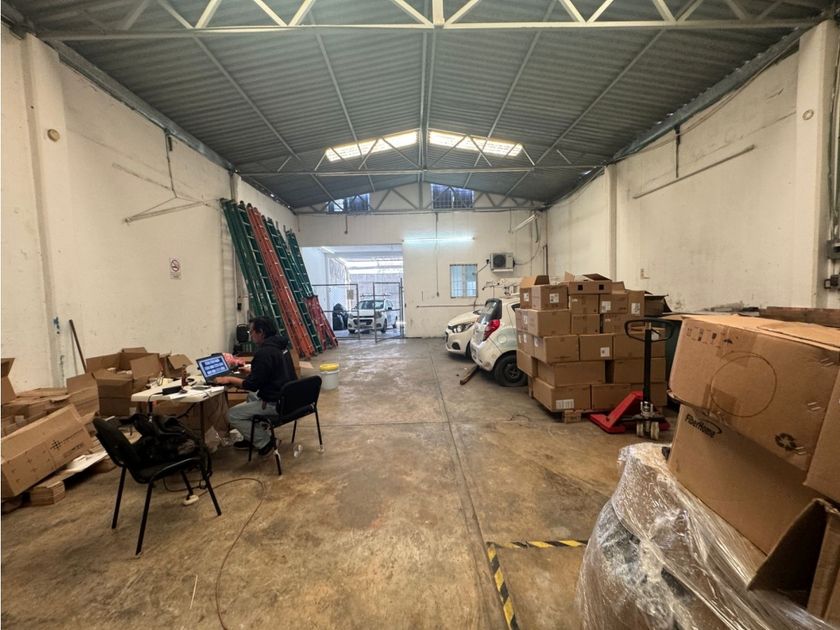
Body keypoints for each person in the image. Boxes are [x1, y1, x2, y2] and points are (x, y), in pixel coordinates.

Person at [214, 316, 295, 456]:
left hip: (276, 402)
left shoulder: (264, 352)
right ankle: (252, 436)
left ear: (261, 332)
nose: (250, 336)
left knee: (232, 414)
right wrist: (253, 371)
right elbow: (275, 370)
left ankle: (266, 443)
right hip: (290, 397)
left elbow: (251, 385)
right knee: (252, 397)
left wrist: (228, 378)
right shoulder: (281, 346)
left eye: (251, 332)